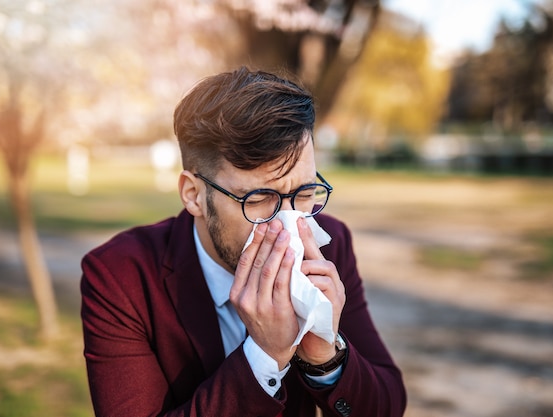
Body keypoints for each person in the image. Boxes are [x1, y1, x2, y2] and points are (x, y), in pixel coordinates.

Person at [80, 67, 406, 417]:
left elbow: (386, 406)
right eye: (259, 199)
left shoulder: (329, 245)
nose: (289, 225)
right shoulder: (119, 276)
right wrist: (264, 357)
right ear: (194, 195)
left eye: (305, 192)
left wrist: (325, 358)